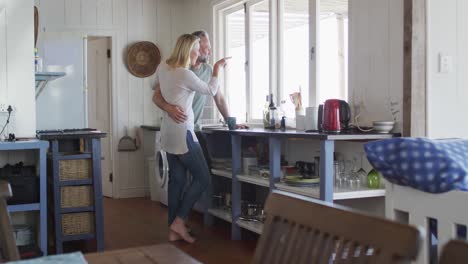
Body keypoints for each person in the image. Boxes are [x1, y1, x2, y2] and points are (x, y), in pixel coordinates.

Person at [152, 33, 229, 243]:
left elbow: (155, 89)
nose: (202, 52)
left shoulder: (163, 68)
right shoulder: (185, 73)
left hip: (168, 132)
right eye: (198, 47)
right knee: (204, 177)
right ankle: (180, 219)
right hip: (184, 132)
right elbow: (211, 90)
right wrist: (217, 68)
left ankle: (173, 230)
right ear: (189, 50)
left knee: (176, 180)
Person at [154, 30, 246, 166]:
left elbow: (218, 97)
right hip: (180, 131)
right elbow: (156, 96)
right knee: (198, 178)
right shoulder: (179, 69)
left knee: (196, 174)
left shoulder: (207, 70)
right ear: (194, 47)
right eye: (206, 48)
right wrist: (169, 108)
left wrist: (229, 121)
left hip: (195, 128)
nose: (210, 51)